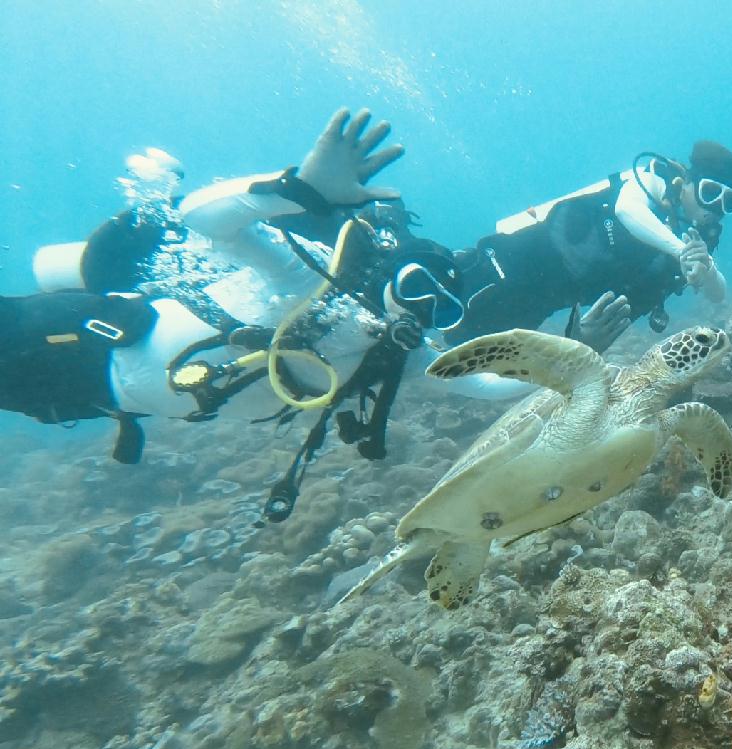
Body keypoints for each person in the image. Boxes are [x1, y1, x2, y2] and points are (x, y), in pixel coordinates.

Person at [3, 108, 527, 521]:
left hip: (93, 397)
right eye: (415, 288)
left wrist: (584, 361)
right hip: (75, 335)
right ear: (388, 278)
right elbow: (202, 219)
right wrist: (298, 190)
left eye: (440, 307)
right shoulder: (309, 279)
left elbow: (482, 386)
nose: (421, 310)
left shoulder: (398, 359)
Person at [446, 140, 732, 351]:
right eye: (710, 192)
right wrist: (679, 251)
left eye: (728, 203)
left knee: (470, 346)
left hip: (550, 298)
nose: (715, 207)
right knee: (442, 294)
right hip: (520, 259)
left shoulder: (696, 240)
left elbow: (719, 293)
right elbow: (627, 210)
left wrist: (705, 269)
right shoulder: (655, 181)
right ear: (687, 180)